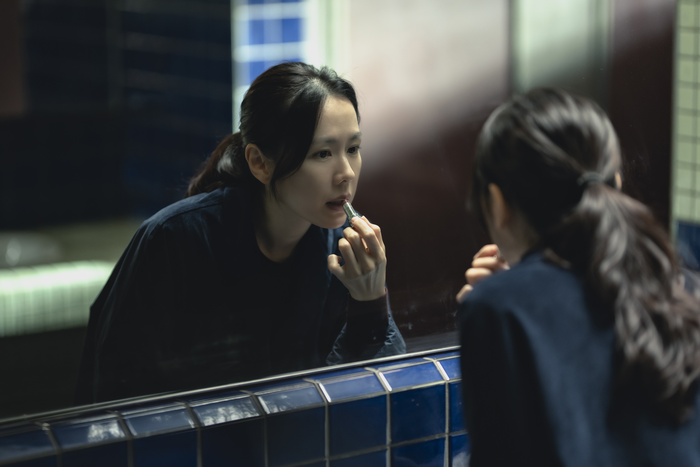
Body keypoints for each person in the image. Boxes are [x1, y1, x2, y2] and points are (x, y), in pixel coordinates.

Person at [75, 62, 405, 404]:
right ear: (260, 163)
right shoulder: (174, 241)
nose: (346, 173)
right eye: (322, 153)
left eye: (353, 148)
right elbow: (114, 395)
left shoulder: (344, 252)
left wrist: (370, 301)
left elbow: (375, 400)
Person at [458, 88, 700, 466]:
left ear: (498, 204)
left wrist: (506, 294)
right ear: (615, 183)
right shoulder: (681, 288)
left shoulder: (498, 309)